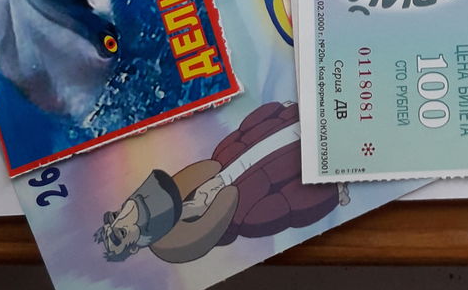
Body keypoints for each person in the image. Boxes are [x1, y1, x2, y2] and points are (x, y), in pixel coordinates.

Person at [95, 101, 346, 264]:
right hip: (336, 146)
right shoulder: (247, 216)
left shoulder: (221, 156)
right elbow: (294, 205)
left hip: (311, 110)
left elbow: (246, 129)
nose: (199, 197)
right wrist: (333, 189)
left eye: (113, 216)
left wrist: (278, 111)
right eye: (119, 234)